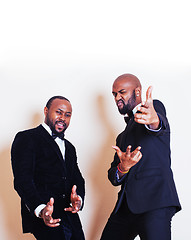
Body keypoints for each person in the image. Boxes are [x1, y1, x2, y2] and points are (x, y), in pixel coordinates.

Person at [100, 74, 181, 240]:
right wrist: (123, 168)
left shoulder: (153, 108)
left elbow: (157, 124)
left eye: (122, 92)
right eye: (114, 94)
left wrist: (153, 120)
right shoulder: (121, 138)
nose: (117, 98)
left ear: (137, 91)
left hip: (155, 203)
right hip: (125, 208)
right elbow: (113, 177)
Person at [11, 96, 85, 240]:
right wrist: (40, 209)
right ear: (46, 111)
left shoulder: (70, 148)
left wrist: (79, 200)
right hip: (44, 215)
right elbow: (22, 180)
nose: (63, 118)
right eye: (59, 112)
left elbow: (77, 178)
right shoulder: (26, 138)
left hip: (69, 215)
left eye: (67, 115)